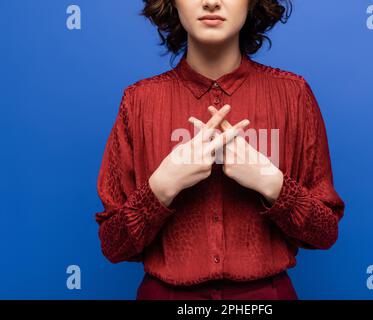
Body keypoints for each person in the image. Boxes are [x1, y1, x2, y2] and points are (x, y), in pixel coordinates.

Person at [94, 0, 345, 300]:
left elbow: (325, 232)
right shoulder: (138, 102)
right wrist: (160, 189)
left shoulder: (293, 95)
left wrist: (273, 184)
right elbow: (112, 245)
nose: (211, 2)